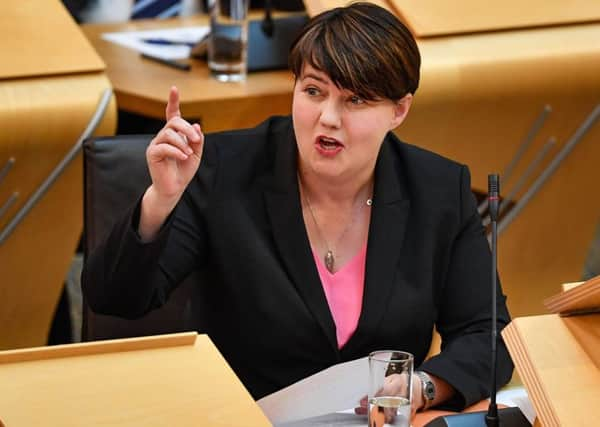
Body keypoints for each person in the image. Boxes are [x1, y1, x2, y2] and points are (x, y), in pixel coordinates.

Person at [82, 2, 513, 416]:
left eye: (356, 100)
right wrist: (161, 200)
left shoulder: (437, 190)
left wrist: (421, 387)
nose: (327, 117)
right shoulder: (224, 170)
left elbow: (489, 334)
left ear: (399, 110)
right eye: (313, 91)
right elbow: (112, 298)